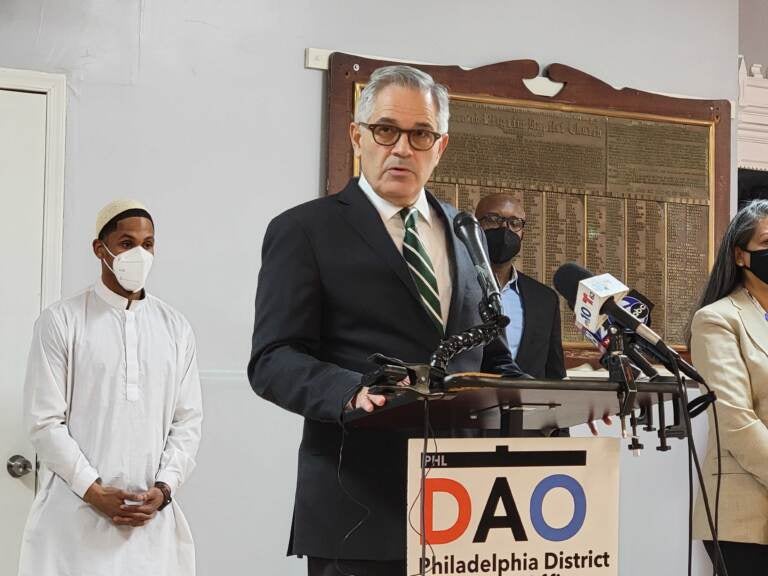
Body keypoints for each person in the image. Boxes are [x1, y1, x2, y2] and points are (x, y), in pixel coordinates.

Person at [248, 65, 527, 576]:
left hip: (469, 510)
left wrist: (555, 401)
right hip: (358, 508)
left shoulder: (466, 231)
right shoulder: (304, 230)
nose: (402, 147)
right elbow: (273, 359)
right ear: (358, 136)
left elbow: (491, 356)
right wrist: (350, 391)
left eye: (420, 133)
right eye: (386, 130)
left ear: (439, 147)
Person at [18, 200, 203, 576]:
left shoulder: (175, 328)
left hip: (151, 526)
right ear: (100, 249)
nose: (139, 254)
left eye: (148, 244)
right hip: (73, 524)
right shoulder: (62, 322)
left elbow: (188, 421)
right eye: (126, 242)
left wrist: (165, 489)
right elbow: (44, 421)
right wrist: (93, 491)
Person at [689, 199, 768, 575]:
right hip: (747, 516)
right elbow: (736, 423)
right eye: (767, 244)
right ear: (740, 255)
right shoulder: (717, 320)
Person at [474, 194, 566, 380]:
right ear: (475, 226)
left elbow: (554, 373)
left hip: (528, 406)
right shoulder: (453, 285)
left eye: (514, 223)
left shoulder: (544, 299)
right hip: (464, 403)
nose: (504, 229)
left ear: (522, 233)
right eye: (493, 219)